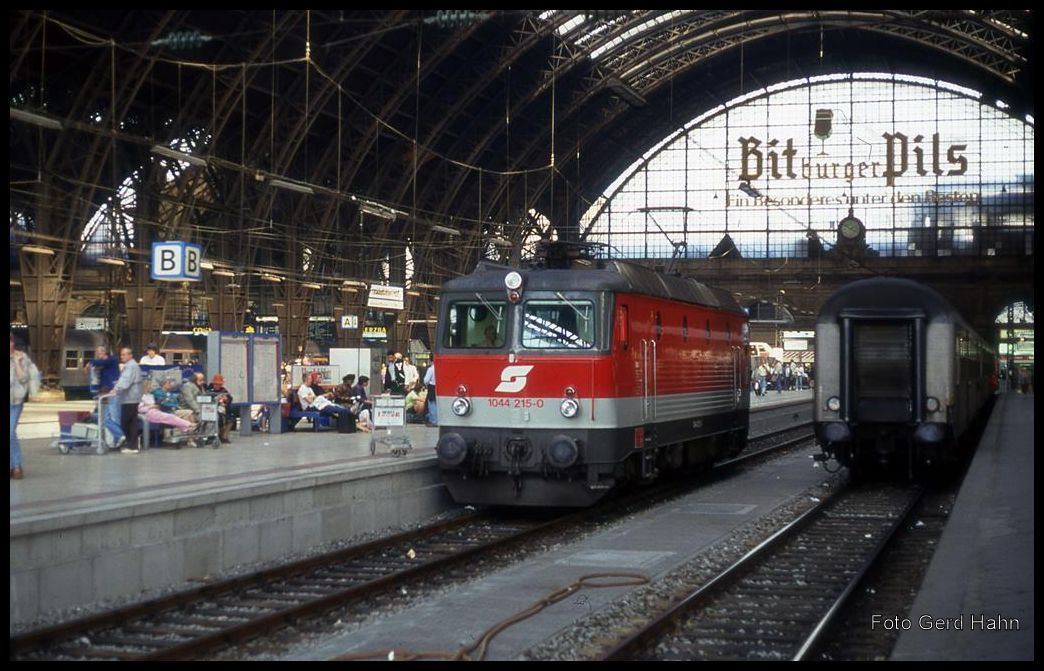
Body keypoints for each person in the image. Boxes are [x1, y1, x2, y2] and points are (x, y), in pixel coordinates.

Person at [139, 380, 197, 447]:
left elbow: (157, 404)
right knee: (171, 417)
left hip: (157, 411)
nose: (150, 387)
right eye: (148, 386)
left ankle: (188, 431)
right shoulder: (140, 396)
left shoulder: (150, 395)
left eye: (150, 386)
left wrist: (154, 406)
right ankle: (190, 425)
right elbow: (140, 409)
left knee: (177, 416)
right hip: (149, 413)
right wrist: (151, 406)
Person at [86, 345, 123, 447]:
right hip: (104, 393)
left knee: (113, 415)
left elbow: (99, 362)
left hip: (113, 392)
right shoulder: (102, 365)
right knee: (104, 415)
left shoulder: (112, 360)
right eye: (97, 353)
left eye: (99, 353)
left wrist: (90, 363)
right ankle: (110, 439)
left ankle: (119, 435)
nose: (98, 355)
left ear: (104, 352)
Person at [112, 347, 144, 453]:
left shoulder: (130, 366)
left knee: (124, 422)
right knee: (132, 422)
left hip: (129, 398)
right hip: (134, 397)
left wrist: (115, 389)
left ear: (130, 355)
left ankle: (131, 444)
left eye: (124, 354)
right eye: (121, 355)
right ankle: (133, 444)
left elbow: (125, 381)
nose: (122, 357)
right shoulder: (133, 365)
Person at [10, 332, 31, 479]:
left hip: (15, 401)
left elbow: (23, 378)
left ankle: (17, 466)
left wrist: (16, 362)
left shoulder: (22, 357)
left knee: (10, 432)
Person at [207, 373, 234, 443]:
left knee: (230, 418)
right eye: (215, 384)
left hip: (223, 410)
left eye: (218, 384)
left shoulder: (224, 390)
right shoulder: (209, 391)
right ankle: (216, 435)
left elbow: (229, 399)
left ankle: (224, 436)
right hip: (212, 410)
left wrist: (226, 399)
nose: (216, 386)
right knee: (219, 419)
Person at [423, 361, 438, 427]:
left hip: (432, 387)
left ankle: (434, 421)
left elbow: (426, 380)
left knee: (432, 404)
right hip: (440, 386)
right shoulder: (440, 367)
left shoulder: (431, 369)